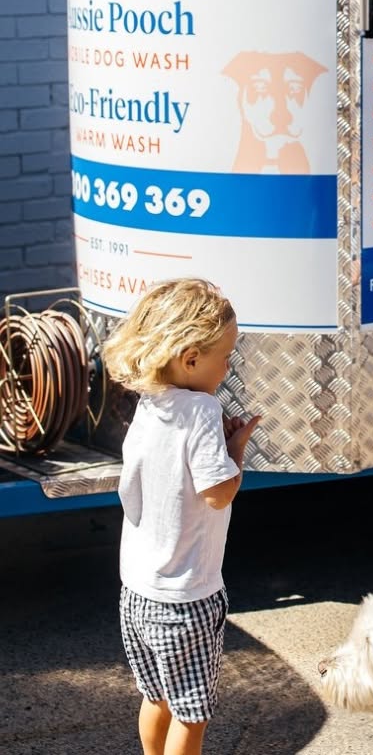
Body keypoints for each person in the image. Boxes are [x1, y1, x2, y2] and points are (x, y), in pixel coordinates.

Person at [102, 280, 261, 755]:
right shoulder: (203, 410)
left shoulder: (149, 404)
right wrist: (236, 453)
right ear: (190, 358)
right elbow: (217, 494)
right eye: (225, 356)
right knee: (192, 715)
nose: (229, 366)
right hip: (186, 599)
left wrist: (218, 450)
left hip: (137, 593)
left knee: (156, 697)